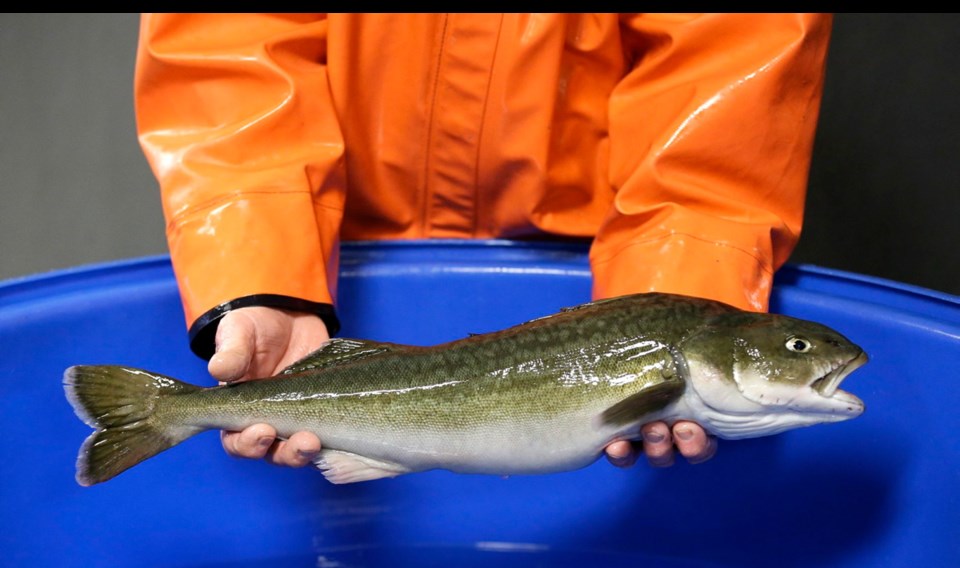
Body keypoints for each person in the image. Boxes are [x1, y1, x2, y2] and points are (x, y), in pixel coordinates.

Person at [133, 13, 833, 472]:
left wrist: (681, 297)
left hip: (594, 258)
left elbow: (725, 68)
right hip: (330, 251)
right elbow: (225, 50)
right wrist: (263, 270)